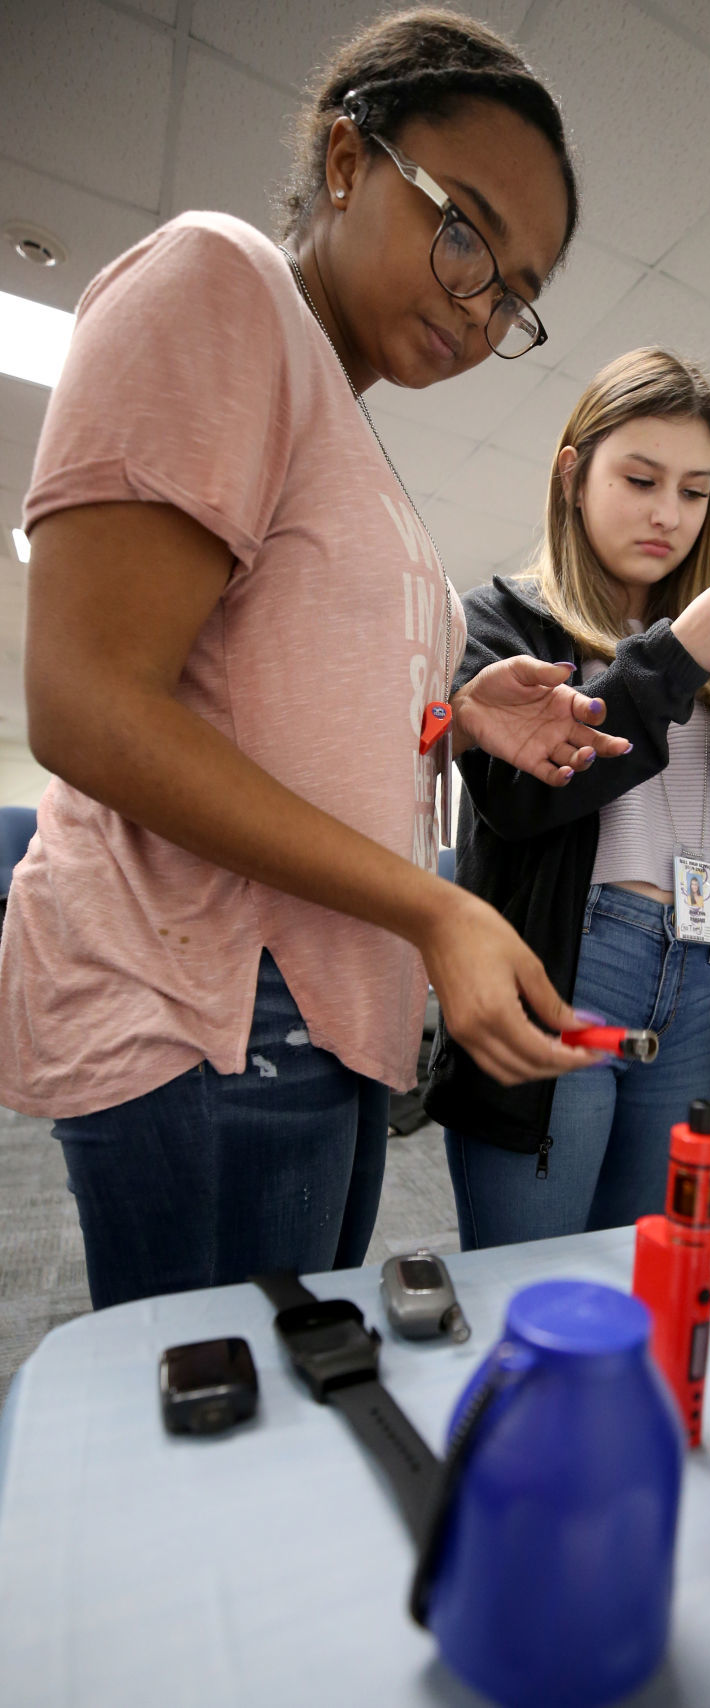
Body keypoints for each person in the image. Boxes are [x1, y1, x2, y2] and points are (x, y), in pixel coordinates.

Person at [0, 9, 633, 1309]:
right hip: (213, 995)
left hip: (321, 995)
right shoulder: (223, 278)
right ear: (347, 160)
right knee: (221, 1423)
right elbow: (86, 703)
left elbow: (256, 683)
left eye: (516, 291)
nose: (481, 304)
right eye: (465, 232)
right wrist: (435, 905)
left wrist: (454, 714)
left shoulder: (340, 421)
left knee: (290, 1389)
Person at [426, 347, 710, 1247]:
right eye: (641, 478)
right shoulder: (494, 620)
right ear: (573, 475)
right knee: (531, 1278)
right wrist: (679, 653)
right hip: (568, 965)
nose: (668, 514)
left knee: (647, 1266)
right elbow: (522, 800)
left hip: (698, 970)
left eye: (694, 491)